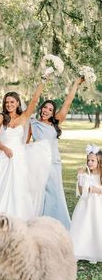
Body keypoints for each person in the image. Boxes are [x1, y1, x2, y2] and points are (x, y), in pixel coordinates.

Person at [0, 79, 51, 220]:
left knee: (19, 189)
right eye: (7, 102)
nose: (9, 104)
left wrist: (42, 80)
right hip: (3, 157)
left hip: (19, 158)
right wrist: (4, 148)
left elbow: (35, 101)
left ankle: (18, 220)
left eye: (12, 102)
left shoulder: (24, 117)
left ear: (18, 103)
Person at [27, 77, 84, 229]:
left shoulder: (55, 123)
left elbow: (67, 102)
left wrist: (75, 84)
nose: (46, 111)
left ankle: (59, 225)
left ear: (53, 113)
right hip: (38, 164)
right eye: (45, 108)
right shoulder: (32, 124)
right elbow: (25, 144)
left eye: (50, 110)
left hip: (53, 163)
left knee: (55, 193)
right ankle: (40, 224)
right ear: (41, 108)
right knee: (40, 194)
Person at [70, 145, 102, 264]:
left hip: (98, 206)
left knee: (96, 225)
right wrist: (80, 177)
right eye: (88, 160)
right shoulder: (86, 175)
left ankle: (96, 251)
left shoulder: (100, 176)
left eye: (93, 160)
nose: (89, 162)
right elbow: (81, 190)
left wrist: (95, 189)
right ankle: (79, 249)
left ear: (99, 162)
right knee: (83, 224)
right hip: (85, 204)